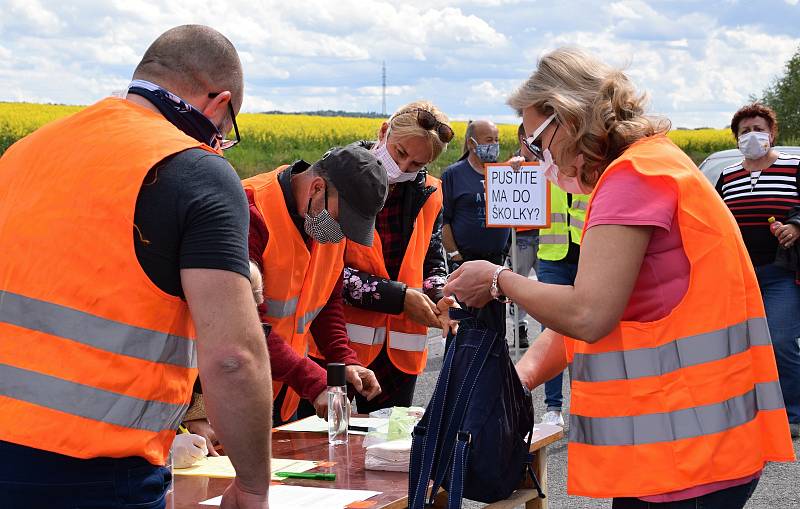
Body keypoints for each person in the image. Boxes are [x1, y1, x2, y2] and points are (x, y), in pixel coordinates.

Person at [444, 47, 794, 508]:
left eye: (536, 139)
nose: (537, 156)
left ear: (567, 119)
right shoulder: (655, 162)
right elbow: (594, 306)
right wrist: (519, 376)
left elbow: (588, 314)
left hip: (681, 456)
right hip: (698, 447)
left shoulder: (631, 179)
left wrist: (498, 280)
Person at [0, 25, 272, 509]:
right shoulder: (196, 171)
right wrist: (252, 486)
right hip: (93, 472)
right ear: (219, 103)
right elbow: (233, 358)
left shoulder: (24, 153)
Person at [244, 146, 385, 425]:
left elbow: (325, 302)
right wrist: (312, 380)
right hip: (232, 392)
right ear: (317, 188)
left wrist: (344, 358)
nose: (341, 233)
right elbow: (245, 325)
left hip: (284, 395)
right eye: (341, 221)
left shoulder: (324, 224)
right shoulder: (249, 211)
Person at [337, 101, 455, 413]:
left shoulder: (430, 192)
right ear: (383, 132)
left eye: (416, 164)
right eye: (400, 153)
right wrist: (400, 298)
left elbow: (431, 258)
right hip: (339, 346)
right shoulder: (341, 178)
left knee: (388, 451)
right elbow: (331, 275)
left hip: (400, 356)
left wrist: (439, 296)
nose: (402, 168)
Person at [714, 103, 800, 438]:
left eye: (758, 129)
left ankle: (793, 412)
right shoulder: (729, 176)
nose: (752, 136)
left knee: (779, 339)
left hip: (780, 271)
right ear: (736, 138)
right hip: (738, 273)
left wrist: (795, 226)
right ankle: (750, 409)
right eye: (745, 131)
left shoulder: (794, 168)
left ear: (772, 133)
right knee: (740, 344)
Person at [442, 119, 510, 272]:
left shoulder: (503, 173)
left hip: (497, 260)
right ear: (472, 143)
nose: (494, 145)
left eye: (496, 140)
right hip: (465, 260)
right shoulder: (453, 174)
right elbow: (443, 220)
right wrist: (454, 255)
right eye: (489, 140)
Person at [505, 123, 541, 349]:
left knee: (552, 289)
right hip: (521, 238)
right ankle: (520, 328)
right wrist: (514, 166)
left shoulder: (549, 164)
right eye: (529, 138)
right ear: (521, 140)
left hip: (548, 238)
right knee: (518, 289)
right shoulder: (514, 165)